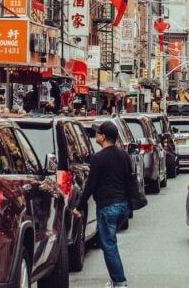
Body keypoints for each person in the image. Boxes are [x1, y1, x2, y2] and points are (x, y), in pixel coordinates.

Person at [77, 121, 133, 288]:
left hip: (108, 206)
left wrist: (78, 207)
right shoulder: (124, 155)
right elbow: (130, 180)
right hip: (122, 205)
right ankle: (116, 280)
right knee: (109, 242)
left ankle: (119, 282)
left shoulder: (98, 158)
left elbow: (90, 185)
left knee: (108, 245)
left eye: (98, 133)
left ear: (103, 136)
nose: (96, 135)